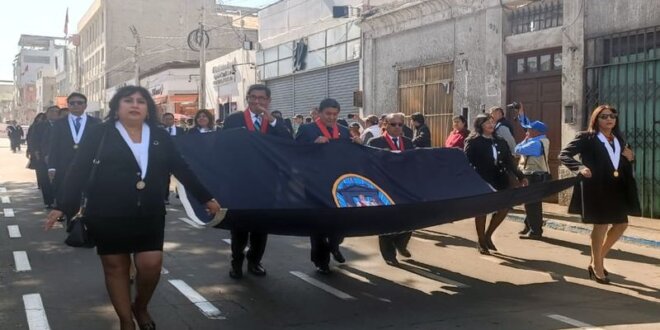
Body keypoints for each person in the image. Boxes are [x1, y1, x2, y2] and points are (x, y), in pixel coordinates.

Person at [44, 85, 221, 330]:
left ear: (148, 109)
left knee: (151, 265)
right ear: (117, 108)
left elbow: (181, 168)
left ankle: (140, 305)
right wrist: (62, 206)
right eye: (128, 100)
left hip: (149, 211)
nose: (135, 105)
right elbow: (78, 171)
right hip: (106, 212)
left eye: (141, 101)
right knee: (116, 268)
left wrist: (205, 198)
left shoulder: (159, 135)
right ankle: (126, 320)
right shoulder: (99, 133)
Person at [559, 105, 640, 284]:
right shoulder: (586, 137)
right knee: (601, 225)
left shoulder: (619, 139)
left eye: (612, 116)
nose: (609, 119)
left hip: (617, 187)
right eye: (604, 116)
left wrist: (631, 157)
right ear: (596, 120)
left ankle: (596, 259)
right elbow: (564, 155)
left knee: (621, 224)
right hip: (596, 186)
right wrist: (580, 168)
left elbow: (622, 162)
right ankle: (597, 266)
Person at [222, 84, 291, 279]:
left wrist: (273, 122)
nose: (257, 102)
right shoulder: (234, 119)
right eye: (253, 97)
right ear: (247, 98)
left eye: (261, 98)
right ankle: (236, 262)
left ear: (268, 101)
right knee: (240, 226)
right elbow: (224, 147)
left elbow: (289, 143)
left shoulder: (276, 122)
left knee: (261, 225)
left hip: (267, 182)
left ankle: (254, 261)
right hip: (240, 181)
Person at [296, 98, 362, 274]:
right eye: (328, 114)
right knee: (318, 224)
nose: (331, 117)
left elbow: (351, 156)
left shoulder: (344, 131)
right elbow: (295, 152)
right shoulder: (307, 129)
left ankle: (334, 245)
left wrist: (358, 145)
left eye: (335, 114)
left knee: (342, 223)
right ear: (319, 113)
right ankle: (321, 261)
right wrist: (312, 145)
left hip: (339, 184)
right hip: (314, 184)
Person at [464, 114, 527, 255]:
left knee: (503, 208)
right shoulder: (473, 141)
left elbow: (509, 161)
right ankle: (481, 241)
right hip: (481, 180)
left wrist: (521, 176)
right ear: (479, 125)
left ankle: (488, 235)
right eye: (487, 122)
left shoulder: (500, 140)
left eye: (492, 122)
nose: (490, 124)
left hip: (500, 179)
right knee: (482, 210)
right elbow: (466, 162)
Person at [367, 113, 415, 265]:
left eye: (400, 124)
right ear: (385, 125)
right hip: (384, 186)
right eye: (393, 124)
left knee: (411, 218)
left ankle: (401, 243)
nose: (398, 128)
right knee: (387, 221)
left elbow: (414, 162)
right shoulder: (376, 142)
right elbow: (368, 163)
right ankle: (389, 254)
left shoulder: (408, 142)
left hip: (405, 185)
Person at [47, 92, 102, 198]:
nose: (76, 105)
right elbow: (53, 146)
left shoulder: (96, 123)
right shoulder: (59, 124)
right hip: (64, 167)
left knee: (88, 198)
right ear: (68, 105)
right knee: (66, 196)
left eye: (79, 103)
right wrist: (51, 167)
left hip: (89, 167)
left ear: (85, 105)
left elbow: (101, 146)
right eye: (72, 103)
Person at [515, 105, 550, 240]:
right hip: (534, 175)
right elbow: (525, 124)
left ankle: (536, 231)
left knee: (533, 205)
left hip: (534, 176)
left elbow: (517, 149)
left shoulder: (536, 143)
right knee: (529, 203)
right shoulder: (538, 139)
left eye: (529, 129)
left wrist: (523, 141)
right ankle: (529, 226)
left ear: (535, 131)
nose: (527, 131)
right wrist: (521, 114)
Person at [28, 108, 59, 208]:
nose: (55, 114)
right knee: (45, 180)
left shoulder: (63, 125)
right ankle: (49, 201)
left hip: (59, 157)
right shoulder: (39, 126)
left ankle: (58, 200)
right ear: (47, 114)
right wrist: (36, 153)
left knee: (58, 179)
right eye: (52, 112)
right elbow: (33, 140)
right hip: (42, 157)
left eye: (57, 112)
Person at [161, 113, 186, 204]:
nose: (168, 121)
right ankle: (165, 197)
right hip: (164, 158)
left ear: (173, 120)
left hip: (178, 157)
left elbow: (184, 143)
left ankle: (181, 195)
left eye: (170, 119)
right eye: (166, 119)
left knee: (182, 177)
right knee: (165, 179)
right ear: (163, 120)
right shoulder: (160, 131)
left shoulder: (181, 130)